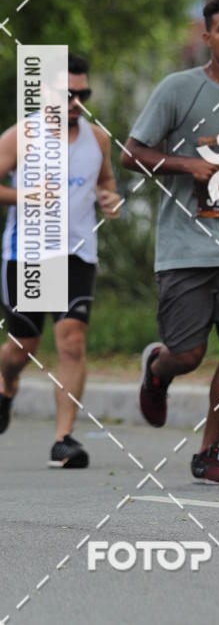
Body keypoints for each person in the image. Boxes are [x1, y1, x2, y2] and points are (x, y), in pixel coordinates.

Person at [122, 0, 219, 484]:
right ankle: (159, 368)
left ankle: (209, 452)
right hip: (184, 247)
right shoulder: (178, 90)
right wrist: (189, 165)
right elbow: (130, 154)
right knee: (190, 354)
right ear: (208, 38)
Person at [0, 53, 121, 467]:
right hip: (30, 254)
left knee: (71, 342)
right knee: (22, 347)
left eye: (83, 94)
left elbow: (106, 183)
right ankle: (6, 384)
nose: (76, 102)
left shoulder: (98, 138)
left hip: (77, 254)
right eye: (68, 94)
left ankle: (63, 439)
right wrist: (25, 196)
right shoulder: (24, 134)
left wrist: (110, 199)